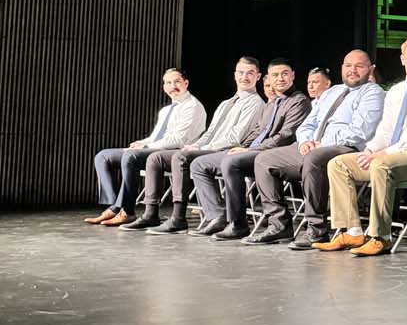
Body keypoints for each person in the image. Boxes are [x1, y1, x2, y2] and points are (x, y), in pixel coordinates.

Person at [316, 34, 407, 258]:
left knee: (381, 165)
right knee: (339, 164)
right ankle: (351, 231)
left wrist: (382, 154)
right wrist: (370, 150)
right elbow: (386, 130)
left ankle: (380, 236)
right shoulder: (397, 91)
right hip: (393, 154)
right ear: (402, 58)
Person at [247, 49, 385, 248]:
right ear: (342, 68)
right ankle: (279, 224)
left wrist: (322, 143)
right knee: (264, 160)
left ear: (370, 69)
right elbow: (307, 124)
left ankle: (316, 229)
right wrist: (305, 142)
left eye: (359, 66)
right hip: (312, 146)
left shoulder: (373, 93)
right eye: (348, 65)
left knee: (315, 158)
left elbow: (361, 131)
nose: (352, 70)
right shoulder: (332, 92)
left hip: (346, 148)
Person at [125, 56, 265, 233]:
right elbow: (210, 132)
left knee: (181, 157)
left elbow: (235, 138)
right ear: (234, 74)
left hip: (225, 150)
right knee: (156, 158)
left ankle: (179, 217)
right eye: (241, 72)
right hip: (208, 147)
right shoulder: (226, 103)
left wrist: (202, 148)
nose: (244, 77)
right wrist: (196, 145)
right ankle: (150, 214)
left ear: (258, 77)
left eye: (250, 73)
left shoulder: (255, 103)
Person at [191, 59, 310, 241]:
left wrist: (249, 150)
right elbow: (258, 130)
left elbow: (284, 137)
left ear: (292, 75)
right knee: (199, 164)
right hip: (254, 150)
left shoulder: (299, 101)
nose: (280, 78)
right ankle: (218, 216)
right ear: (269, 78)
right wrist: (243, 147)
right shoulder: (272, 103)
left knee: (231, 163)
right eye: (275, 75)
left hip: (274, 153)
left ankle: (238, 224)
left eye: (284, 74)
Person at [88, 69, 206, 228]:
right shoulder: (166, 110)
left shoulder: (192, 106)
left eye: (177, 82)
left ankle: (126, 211)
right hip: (155, 148)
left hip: (174, 152)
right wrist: (141, 143)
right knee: (103, 156)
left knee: (131, 157)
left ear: (186, 83)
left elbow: (178, 140)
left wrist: (145, 146)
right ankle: (113, 205)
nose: (173, 86)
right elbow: (155, 137)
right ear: (164, 86)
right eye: (168, 83)